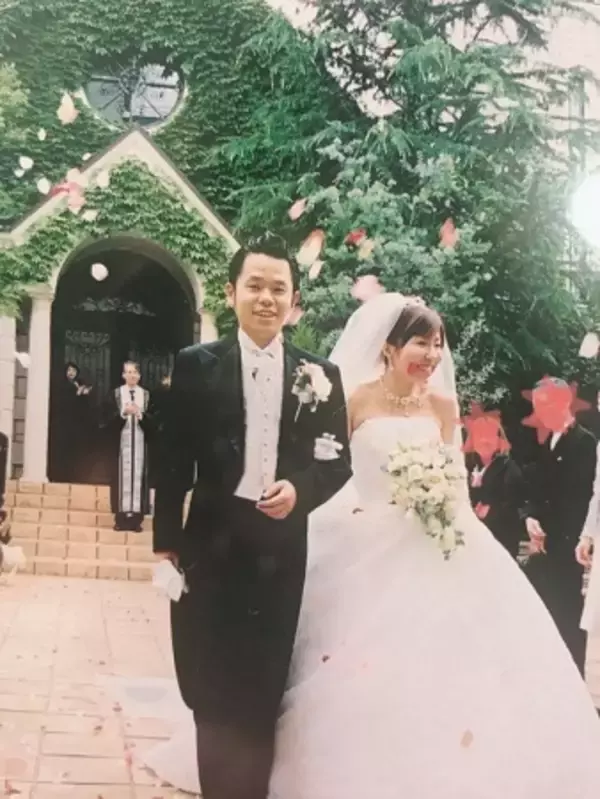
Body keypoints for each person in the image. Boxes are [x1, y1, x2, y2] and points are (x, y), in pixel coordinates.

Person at [117, 292, 600, 799]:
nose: (432, 355)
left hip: (438, 537)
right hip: (366, 536)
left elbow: (455, 475)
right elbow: (330, 468)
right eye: (420, 343)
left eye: (438, 344)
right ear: (389, 347)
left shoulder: (442, 404)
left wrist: (442, 504)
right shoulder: (355, 399)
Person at [152, 234, 352, 799]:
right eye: (256, 286)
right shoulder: (196, 365)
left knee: (262, 687)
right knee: (209, 684)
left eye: (278, 289)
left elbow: (338, 462)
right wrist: (165, 543)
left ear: (294, 301)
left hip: (279, 550)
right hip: (211, 544)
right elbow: (172, 460)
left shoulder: (321, 374)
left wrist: (300, 490)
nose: (267, 298)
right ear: (231, 292)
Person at [519, 376, 597, 675]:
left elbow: (582, 496)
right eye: (537, 406)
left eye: (545, 404)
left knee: (568, 613)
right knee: (548, 611)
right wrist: (531, 517)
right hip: (548, 541)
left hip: (569, 540)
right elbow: (537, 487)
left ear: (564, 402)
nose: (540, 412)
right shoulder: (546, 441)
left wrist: (574, 537)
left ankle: (574, 676)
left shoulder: (585, 442)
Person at [463, 407, 527, 559]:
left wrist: (491, 509)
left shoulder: (509, 469)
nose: (484, 441)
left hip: (500, 539)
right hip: (474, 541)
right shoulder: (469, 468)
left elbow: (515, 504)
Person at [101, 361, 155, 532]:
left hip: (140, 443)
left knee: (138, 477)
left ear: (139, 375)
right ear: (123, 375)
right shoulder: (116, 395)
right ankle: (120, 519)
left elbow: (155, 421)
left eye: (135, 372)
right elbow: (105, 421)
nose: (132, 376)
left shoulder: (146, 395)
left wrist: (140, 414)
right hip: (121, 445)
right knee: (121, 478)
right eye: (128, 372)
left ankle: (136, 520)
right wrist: (123, 414)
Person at [48, 362, 93, 482]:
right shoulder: (62, 386)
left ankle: (75, 476)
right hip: (64, 423)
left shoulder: (79, 384)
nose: (71, 373)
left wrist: (84, 395)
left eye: (74, 370)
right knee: (64, 450)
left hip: (77, 424)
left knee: (75, 451)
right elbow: (63, 404)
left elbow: (84, 407)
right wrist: (77, 394)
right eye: (69, 370)